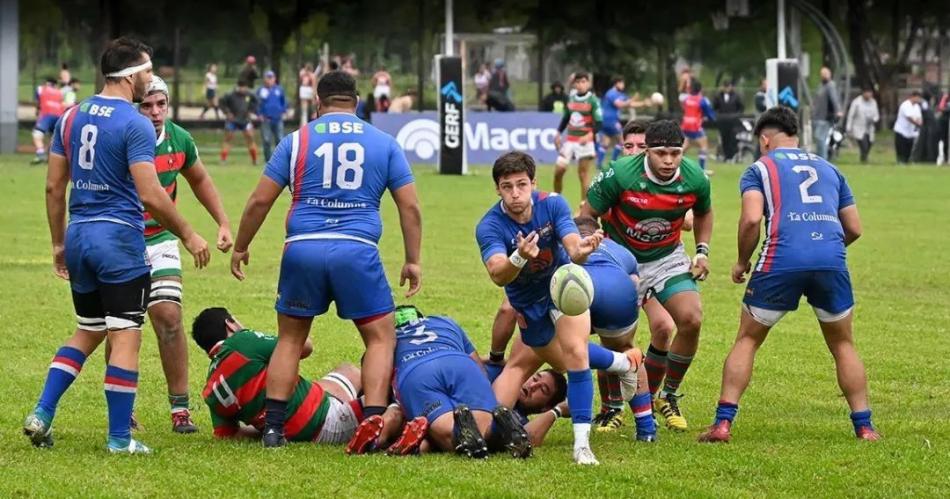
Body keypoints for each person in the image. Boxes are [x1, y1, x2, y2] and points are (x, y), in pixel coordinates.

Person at [22, 37, 210, 454]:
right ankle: (120, 439)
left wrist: (58, 244)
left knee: (88, 329)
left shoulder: (70, 117)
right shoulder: (135, 123)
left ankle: (42, 412)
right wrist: (188, 233)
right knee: (125, 335)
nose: (151, 78)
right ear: (130, 76)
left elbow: (54, 187)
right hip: (118, 242)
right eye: (147, 71)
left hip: (79, 236)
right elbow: (151, 194)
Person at [229, 70, 422, 451]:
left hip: (303, 248)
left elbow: (260, 200)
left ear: (318, 103)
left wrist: (241, 245)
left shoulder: (296, 140)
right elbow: (410, 207)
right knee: (380, 337)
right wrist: (412, 259)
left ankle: (273, 429)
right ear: (357, 102)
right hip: (357, 249)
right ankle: (373, 424)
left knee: (291, 338)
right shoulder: (383, 143)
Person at [698, 106, 880, 443]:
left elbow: (751, 219)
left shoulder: (759, 168)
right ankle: (865, 427)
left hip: (781, 258)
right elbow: (854, 227)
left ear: (765, 140)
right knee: (843, 344)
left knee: (748, 339)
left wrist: (741, 261)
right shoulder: (830, 168)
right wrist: (825, 249)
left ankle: (723, 424)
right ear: (796, 136)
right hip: (831, 260)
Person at [476, 151, 647, 466]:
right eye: (507, 187)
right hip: (528, 305)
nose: (515, 193)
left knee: (577, 355)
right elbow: (498, 274)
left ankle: (582, 446)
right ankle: (623, 362)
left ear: (533, 183)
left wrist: (583, 249)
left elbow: (573, 248)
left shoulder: (552, 204)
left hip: (563, 288)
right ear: (497, 189)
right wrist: (519, 257)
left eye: (521, 184)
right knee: (561, 360)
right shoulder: (489, 226)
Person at [582, 119, 713, 432]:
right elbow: (587, 214)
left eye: (675, 153)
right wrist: (591, 249)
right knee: (615, 337)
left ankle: (666, 396)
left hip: (666, 257)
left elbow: (704, 212)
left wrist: (702, 251)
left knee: (691, 319)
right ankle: (612, 408)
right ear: (647, 153)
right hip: (621, 259)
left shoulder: (695, 177)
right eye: (660, 153)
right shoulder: (621, 173)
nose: (668, 160)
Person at [130, 76, 232, 432]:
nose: (156, 112)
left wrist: (222, 221)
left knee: (170, 317)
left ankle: (180, 411)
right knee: (125, 327)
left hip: (161, 239)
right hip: (124, 240)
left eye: (161, 104)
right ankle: (123, 409)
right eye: (147, 105)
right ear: (135, 108)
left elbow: (199, 179)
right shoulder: (123, 137)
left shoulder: (179, 139)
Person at [189, 307, 405, 447]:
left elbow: (228, 434)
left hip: (287, 425)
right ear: (230, 324)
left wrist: (263, 427)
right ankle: (388, 429)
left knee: (347, 370)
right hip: (325, 422)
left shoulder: (211, 390)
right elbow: (304, 346)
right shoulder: (241, 343)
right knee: (395, 401)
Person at [388, 306, 532, 458]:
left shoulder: (387, 337)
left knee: (446, 433)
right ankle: (497, 432)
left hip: (416, 371)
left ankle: (463, 435)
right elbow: (477, 363)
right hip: (460, 362)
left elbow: (380, 375)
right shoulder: (444, 321)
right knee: (483, 425)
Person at [554, 72, 602, 205]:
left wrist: (590, 135)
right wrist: (558, 133)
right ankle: (556, 201)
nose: (580, 85)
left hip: (585, 142)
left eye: (583, 82)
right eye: (578, 82)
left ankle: (583, 206)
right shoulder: (571, 98)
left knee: (583, 174)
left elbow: (599, 123)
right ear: (574, 84)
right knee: (559, 171)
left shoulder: (593, 100)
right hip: (570, 141)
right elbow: (566, 117)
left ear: (588, 84)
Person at [679, 79, 716, 173]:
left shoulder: (687, 99)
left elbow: (685, 108)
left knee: (686, 144)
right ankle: (702, 169)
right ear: (700, 89)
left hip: (685, 125)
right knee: (704, 146)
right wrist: (710, 118)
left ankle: (675, 162)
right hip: (695, 126)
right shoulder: (702, 100)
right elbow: (709, 113)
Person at [219, 82, 259, 164]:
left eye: (244, 87)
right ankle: (223, 160)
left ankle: (255, 160)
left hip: (245, 120)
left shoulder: (250, 94)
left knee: (250, 138)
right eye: (241, 87)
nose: (243, 89)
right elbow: (221, 102)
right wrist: (227, 112)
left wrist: (251, 111)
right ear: (237, 87)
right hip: (232, 120)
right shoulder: (230, 94)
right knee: (228, 138)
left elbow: (256, 102)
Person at [598, 77, 632, 169]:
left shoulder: (620, 94)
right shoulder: (611, 93)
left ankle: (599, 164)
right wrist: (629, 102)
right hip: (610, 120)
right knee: (622, 140)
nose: (623, 86)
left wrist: (644, 103)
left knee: (605, 142)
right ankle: (613, 162)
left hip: (606, 121)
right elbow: (619, 104)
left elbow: (630, 103)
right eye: (622, 83)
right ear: (617, 83)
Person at [31, 78, 64, 164]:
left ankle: (40, 154)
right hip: (59, 116)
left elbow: (38, 101)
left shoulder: (41, 88)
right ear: (55, 84)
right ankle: (51, 157)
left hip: (46, 115)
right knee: (54, 137)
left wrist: (38, 110)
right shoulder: (59, 92)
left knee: (37, 134)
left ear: (46, 83)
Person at [256, 70, 288, 162]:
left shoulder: (279, 89)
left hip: (278, 118)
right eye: (268, 78)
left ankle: (279, 159)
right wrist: (259, 114)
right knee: (266, 140)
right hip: (266, 119)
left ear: (274, 79)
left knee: (280, 139)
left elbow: (284, 101)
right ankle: (268, 159)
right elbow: (256, 104)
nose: (269, 80)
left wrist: (283, 111)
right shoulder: (260, 90)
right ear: (264, 79)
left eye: (271, 78)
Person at [812, 67, 843, 159]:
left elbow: (834, 99)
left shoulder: (830, 86)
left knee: (820, 138)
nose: (824, 76)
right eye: (822, 74)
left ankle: (822, 159)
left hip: (825, 117)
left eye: (826, 74)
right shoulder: (821, 86)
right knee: (819, 139)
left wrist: (838, 111)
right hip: (817, 117)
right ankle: (820, 158)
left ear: (830, 75)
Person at [712, 80, 745, 162]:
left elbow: (741, 107)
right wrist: (718, 115)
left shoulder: (736, 96)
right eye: (725, 86)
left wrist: (737, 115)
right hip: (722, 120)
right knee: (724, 138)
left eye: (728, 86)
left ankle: (732, 155)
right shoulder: (718, 96)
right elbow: (714, 107)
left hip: (733, 120)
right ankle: (726, 156)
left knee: (732, 138)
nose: (727, 88)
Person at [846, 87, 880, 164]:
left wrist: (874, 119)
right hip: (858, 127)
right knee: (864, 145)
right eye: (867, 93)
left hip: (870, 128)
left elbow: (876, 115)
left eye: (870, 93)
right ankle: (864, 160)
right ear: (864, 93)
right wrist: (849, 127)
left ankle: (864, 158)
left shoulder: (873, 102)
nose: (869, 95)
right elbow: (851, 115)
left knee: (869, 143)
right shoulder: (856, 102)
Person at [893, 91, 923, 164]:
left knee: (908, 149)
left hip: (910, 132)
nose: (918, 100)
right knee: (901, 148)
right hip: (901, 130)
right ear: (912, 97)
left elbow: (919, 117)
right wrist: (918, 124)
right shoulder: (905, 105)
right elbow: (909, 118)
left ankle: (906, 161)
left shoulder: (917, 107)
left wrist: (920, 122)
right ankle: (900, 162)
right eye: (917, 98)